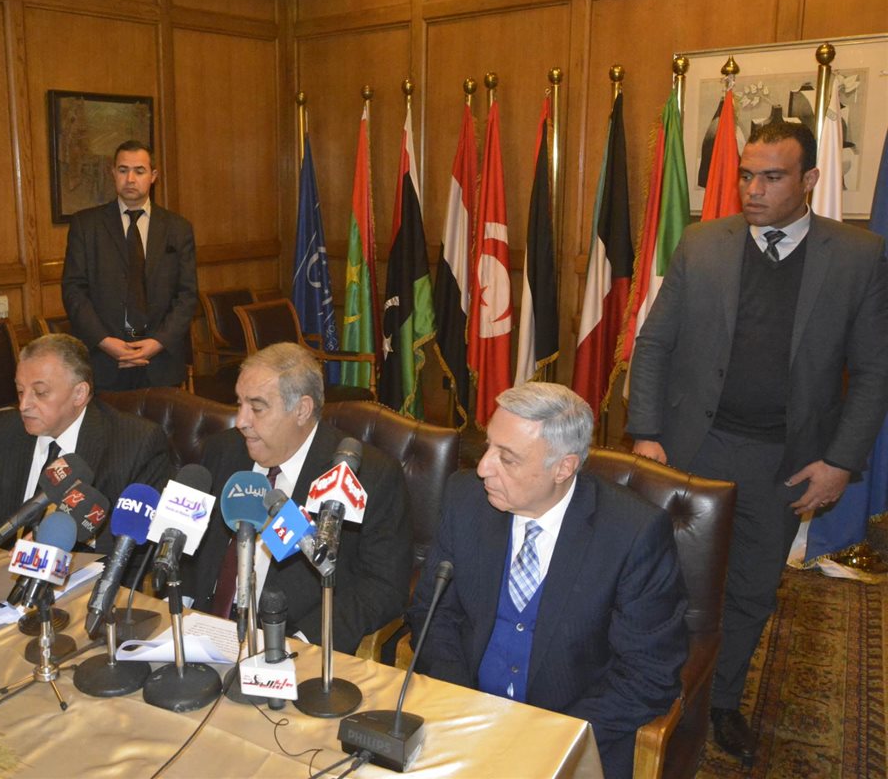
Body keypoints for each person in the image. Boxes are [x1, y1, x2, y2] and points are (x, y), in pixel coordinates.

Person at [627, 121, 888, 765]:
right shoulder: (702, 243)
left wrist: (840, 462)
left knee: (748, 590)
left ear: (810, 180)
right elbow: (654, 343)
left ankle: (721, 700)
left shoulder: (857, 256)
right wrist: (648, 433)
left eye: (772, 177)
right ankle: (653, 689)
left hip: (784, 461)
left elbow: (874, 371)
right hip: (692, 448)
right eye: (747, 175)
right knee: (664, 579)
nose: (753, 190)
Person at [408, 383, 687, 779]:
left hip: (569, 739)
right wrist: (462, 706)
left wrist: (549, 738)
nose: (483, 467)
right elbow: (434, 613)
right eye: (488, 447)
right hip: (463, 719)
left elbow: (650, 673)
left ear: (563, 468)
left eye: (507, 458)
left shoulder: (633, 533)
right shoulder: (465, 498)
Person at [182, 343, 412, 654]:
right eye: (239, 403)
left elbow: (382, 587)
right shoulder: (222, 450)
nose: (241, 421)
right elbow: (189, 541)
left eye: (257, 408)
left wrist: (303, 642)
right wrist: (182, 607)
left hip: (289, 640)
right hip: (201, 628)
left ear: (302, 410)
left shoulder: (367, 477)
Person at [0, 333, 170, 555]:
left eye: (40, 393)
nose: (24, 405)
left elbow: (141, 548)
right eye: (20, 391)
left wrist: (62, 543)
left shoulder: (135, 443)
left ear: (79, 394)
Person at [61, 140, 198, 392]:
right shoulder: (86, 225)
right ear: (113, 173)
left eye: (139, 171)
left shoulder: (178, 229)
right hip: (104, 361)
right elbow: (74, 292)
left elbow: (187, 295)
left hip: (161, 362)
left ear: (153, 176)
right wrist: (105, 341)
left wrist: (158, 342)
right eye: (123, 170)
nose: (130, 179)